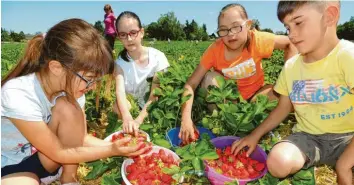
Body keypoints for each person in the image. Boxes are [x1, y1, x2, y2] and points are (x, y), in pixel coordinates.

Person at [1, 18, 150, 185]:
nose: (92, 87)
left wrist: (122, 146)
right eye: (89, 79)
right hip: (11, 165)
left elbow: (81, 138)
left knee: (68, 106)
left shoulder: (73, 89)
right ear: (56, 68)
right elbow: (58, 152)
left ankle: (68, 178)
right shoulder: (19, 93)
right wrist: (111, 150)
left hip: (46, 158)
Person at [230, 2, 354, 184]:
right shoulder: (292, 66)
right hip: (309, 137)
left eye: (298, 23)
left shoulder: (346, 56)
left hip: (349, 137)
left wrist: (344, 165)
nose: (291, 35)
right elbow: (282, 108)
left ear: (329, 16)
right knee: (277, 162)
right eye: (287, 27)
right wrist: (254, 135)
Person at [179, 3, 297, 144]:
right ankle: (223, 122)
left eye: (236, 27)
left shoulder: (257, 40)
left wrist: (288, 77)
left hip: (256, 97)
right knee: (209, 78)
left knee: (284, 93)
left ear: (248, 25)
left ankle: (257, 125)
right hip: (227, 102)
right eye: (223, 30)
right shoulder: (215, 50)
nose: (230, 34)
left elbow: (291, 43)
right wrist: (185, 118)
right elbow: (190, 84)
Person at [112, 11, 170, 136]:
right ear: (118, 36)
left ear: (142, 32)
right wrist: (127, 117)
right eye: (123, 34)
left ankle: (145, 126)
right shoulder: (119, 63)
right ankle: (128, 129)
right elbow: (120, 92)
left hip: (152, 105)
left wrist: (139, 120)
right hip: (130, 107)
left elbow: (154, 96)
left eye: (133, 33)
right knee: (118, 106)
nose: (129, 39)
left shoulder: (158, 58)